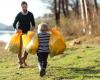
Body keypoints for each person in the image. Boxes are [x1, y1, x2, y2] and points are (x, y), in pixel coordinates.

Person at [13, 1, 35, 68]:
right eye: (23, 7)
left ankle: (23, 59)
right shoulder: (19, 15)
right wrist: (17, 29)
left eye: (25, 6)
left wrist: (31, 29)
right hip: (20, 33)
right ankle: (20, 63)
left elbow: (33, 24)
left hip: (27, 33)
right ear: (21, 7)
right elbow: (14, 24)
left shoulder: (30, 14)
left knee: (27, 48)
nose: (24, 8)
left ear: (27, 6)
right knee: (19, 48)